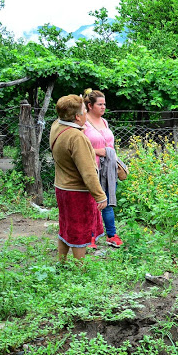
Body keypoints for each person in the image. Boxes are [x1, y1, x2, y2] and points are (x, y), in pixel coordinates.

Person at [49, 94, 107, 261]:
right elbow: (88, 171)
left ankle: (61, 262)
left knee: (66, 228)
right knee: (79, 233)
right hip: (77, 192)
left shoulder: (57, 126)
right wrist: (100, 195)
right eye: (83, 111)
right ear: (76, 117)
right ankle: (79, 271)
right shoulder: (77, 137)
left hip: (61, 187)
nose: (85, 115)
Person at [83, 89, 123, 248]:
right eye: (100, 104)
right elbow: (79, 147)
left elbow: (109, 145)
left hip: (109, 169)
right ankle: (90, 236)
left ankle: (111, 235)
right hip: (93, 169)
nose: (103, 107)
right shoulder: (83, 123)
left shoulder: (104, 122)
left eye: (104, 104)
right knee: (93, 203)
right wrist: (98, 152)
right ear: (89, 105)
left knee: (107, 202)